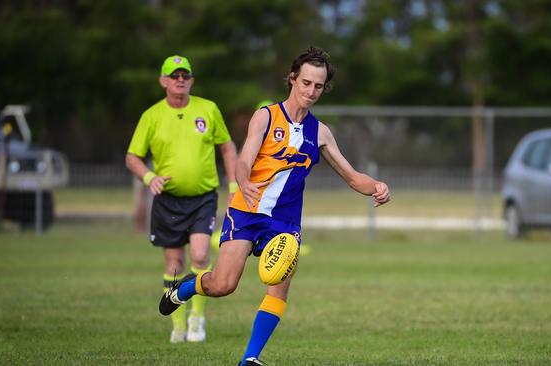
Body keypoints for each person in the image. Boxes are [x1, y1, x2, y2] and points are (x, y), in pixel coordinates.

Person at [159, 46, 390, 365]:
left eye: (318, 86)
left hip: (284, 223)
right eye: (306, 82)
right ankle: (186, 288)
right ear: (293, 79)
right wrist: (245, 181)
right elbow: (244, 160)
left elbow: (352, 177)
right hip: (246, 211)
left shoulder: (320, 133)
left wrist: (376, 187)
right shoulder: (266, 116)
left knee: (278, 287)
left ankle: (250, 359)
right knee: (223, 285)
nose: (311, 91)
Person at [126, 55, 238, 343]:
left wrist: (234, 182)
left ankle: (197, 318)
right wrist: (150, 178)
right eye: (174, 75)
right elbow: (132, 157)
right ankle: (177, 323)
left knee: (200, 255)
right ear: (163, 81)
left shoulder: (208, 109)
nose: (180, 80)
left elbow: (227, 147)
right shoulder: (152, 116)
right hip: (168, 200)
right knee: (174, 263)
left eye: (185, 75)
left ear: (192, 80)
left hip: (203, 197)